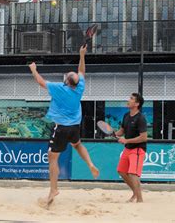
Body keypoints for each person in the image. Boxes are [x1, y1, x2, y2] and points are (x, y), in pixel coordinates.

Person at [29, 44, 99, 208]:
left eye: (69, 74)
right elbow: (81, 71)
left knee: (52, 158)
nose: (71, 72)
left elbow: (40, 81)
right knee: (77, 144)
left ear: (67, 81)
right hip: (75, 126)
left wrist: (33, 69)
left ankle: (54, 189)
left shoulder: (59, 88)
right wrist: (82, 55)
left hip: (61, 127)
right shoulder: (79, 87)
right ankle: (90, 164)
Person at [115, 93, 147, 203]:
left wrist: (126, 140)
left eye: (131, 99)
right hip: (128, 148)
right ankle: (135, 192)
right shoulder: (126, 115)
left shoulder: (141, 118)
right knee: (121, 171)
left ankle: (140, 200)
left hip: (138, 149)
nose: (128, 100)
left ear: (137, 104)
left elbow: (143, 137)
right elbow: (122, 130)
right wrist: (114, 133)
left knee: (133, 173)